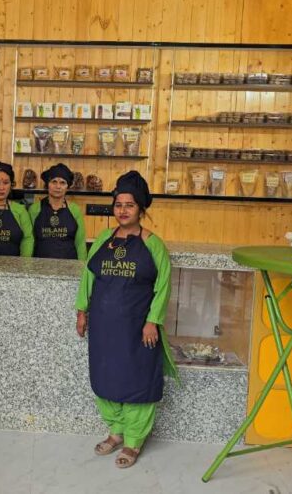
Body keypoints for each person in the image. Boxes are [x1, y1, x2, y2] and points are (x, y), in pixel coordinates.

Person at [75, 170, 178, 468]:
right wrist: (81, 311)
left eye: (129, 205)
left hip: (137, 329)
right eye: (118, 205)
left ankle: (133, 440)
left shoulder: (153, 244)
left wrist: (152, 321)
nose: (122, 210)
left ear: (141, 209)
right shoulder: (103, 239)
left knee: (137, 382)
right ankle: (116, 430)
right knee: (105, 378)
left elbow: (163, 287)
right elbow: (88, 276)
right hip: (104, 326)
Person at [29, 163, 86, 260]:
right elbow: (29, 240)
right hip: (40, 265)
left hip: (69, 265)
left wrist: (82, 265)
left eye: (62, 183)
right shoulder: (34, 209)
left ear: (67, 186)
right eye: (54, 182)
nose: (58, 186)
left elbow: (80, 243)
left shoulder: (75, 210)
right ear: (48, 184)